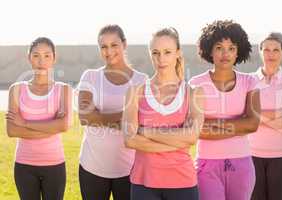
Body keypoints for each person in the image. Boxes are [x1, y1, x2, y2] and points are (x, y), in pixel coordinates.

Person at [122, 27, 203, 200]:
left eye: (167, 52)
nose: (161, 59)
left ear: (178, 53)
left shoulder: (194, 93)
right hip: (144, 183)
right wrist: (177, 142)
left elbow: (191, 137)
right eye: (156, 53)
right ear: (150, 54)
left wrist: (145, 131)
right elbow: (130, 140)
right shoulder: (135, 92)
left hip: (183, 182)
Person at [188, 20, 261, 200]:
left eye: (231, 48)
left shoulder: (250, 82)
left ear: (238, 52)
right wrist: (238, 126)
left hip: (242, 164)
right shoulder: (196, 84)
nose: (225, 53)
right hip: (206, 165)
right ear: (210, 50)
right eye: (219, 47)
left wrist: (209, 124)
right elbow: (195, 129)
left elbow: (252, 124)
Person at [77, 24, 147, 200]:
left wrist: (99, 116)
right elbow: (85, 117)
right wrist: (127, 116)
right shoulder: (90, 76)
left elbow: (142, 122)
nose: (109, 51)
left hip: (129, 168)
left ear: (124, 44)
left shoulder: (142, 80)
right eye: (103, 46)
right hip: (92, 167)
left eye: (114, 45)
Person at [6, 37, 72, 200]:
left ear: (54, 58)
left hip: (54, 164)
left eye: (47, 55)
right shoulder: (16, 89)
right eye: (36, 55)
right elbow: (12, 130)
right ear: (29, 58)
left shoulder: (63, 90)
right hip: (24, 165)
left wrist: (25, 124)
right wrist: (51, 126)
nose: (41, 61)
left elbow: (64, 126)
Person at [249, 32, 282, 200]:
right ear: (260, 52)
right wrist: (278, 113)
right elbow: (245, 118)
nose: (271, 54)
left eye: (276, 50)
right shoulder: (248, 81)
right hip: (251, 156)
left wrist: (256, 113)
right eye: (267, 49)